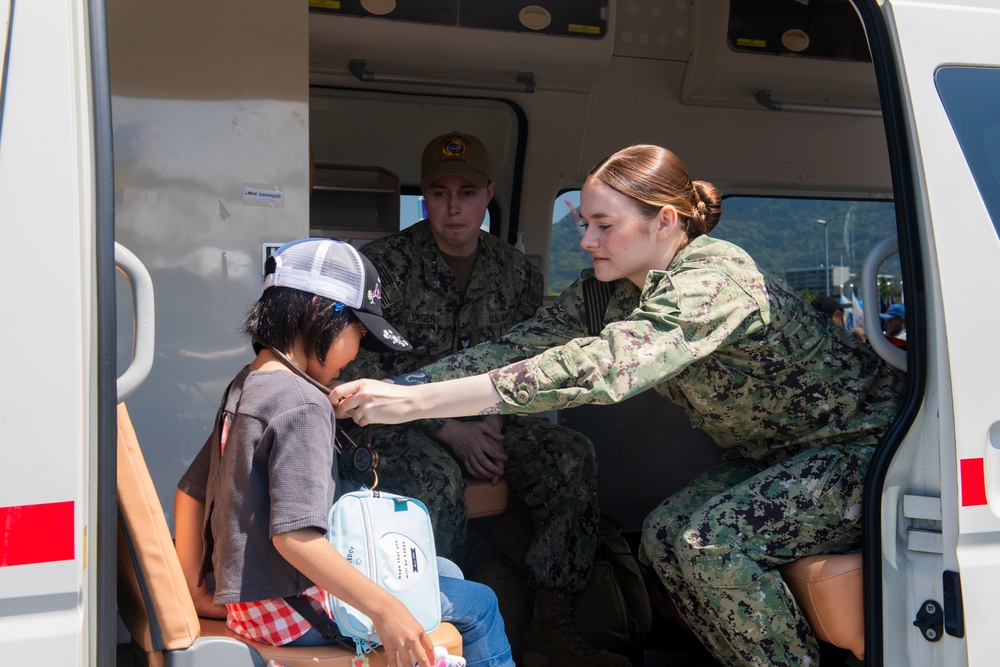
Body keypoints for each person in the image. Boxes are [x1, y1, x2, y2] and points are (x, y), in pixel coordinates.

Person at [331, 145, 907, 667]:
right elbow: (518, 347)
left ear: (665, 222)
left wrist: (417, 403)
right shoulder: (609, 290)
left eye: (604, 226)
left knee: (708, 544)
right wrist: (403, 387)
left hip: (869, 449)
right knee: (662, 535)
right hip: (778, 456)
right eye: (584, 224)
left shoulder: (714, 279)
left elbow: (604, 366)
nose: (586, 242)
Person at [337, 130, 622, 667]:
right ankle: (438, 625)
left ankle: (550, 619)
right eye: (439, 192)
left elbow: (527, 364)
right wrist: (447, 428)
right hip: (397, 424)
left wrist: (491, 418)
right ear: (424, 196)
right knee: (435, 480)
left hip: (490, 415)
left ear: (488, 193)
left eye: (466, 193)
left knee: (570, 455)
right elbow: (357, 368)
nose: (453, 208)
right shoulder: (383, 266)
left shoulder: (515, 274)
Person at [173, 239, 513, 667]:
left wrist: (195, 590)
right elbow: (295, 539)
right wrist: (387, 613)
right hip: (295, 611)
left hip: (249, 603)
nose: (354, 356)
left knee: (443, 571)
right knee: (480, 603)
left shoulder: (247, 383)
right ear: (320, 313)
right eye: (358, 333)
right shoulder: (304, 403)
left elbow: (190, 491)